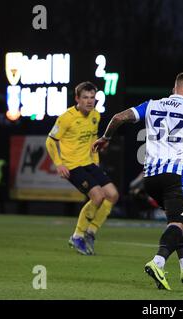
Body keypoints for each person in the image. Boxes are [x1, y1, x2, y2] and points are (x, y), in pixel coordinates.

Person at [93, 72, 183, 290]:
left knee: (178, 217)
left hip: (150, 179)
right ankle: (158, 262)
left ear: (174, 88)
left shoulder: (151, 104)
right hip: (175, 176)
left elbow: (118, 118)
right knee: (178, 222)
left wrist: (106, 138)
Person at [46, 81, 119, 256]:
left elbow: (93, 141)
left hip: (88, 163)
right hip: (72, 166)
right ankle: (77, 236)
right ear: (77, 98)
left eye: (92, 97)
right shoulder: (66, 118)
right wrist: (59, 163)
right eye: (85, 97)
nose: (89, 101)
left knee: (113, 195)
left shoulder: (96, 115)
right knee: (98, 196)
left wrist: (96, 161)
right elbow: (50, 141)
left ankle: (91, 232)